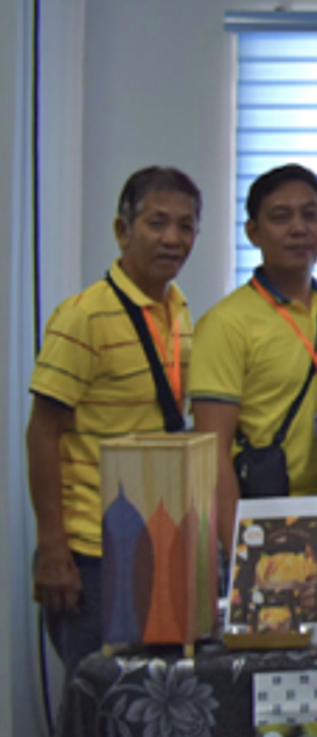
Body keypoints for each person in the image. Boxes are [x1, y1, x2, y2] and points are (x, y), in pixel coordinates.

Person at [28, 167, 201, 671]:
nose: (173, 238)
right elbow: (42, 432)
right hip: (92, 551)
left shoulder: (179, 309)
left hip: (159, 543)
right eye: (157, 223)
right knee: (99, 709)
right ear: (122, 231)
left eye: (186, 226)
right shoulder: (83, 316)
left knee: (151, 710)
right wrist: (53, 549)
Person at [189, 164, 317, 550]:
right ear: (253, 232)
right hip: (261, 515)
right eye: (281, 217)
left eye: (311, 216)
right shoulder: (226, 323)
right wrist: (237, 549)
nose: (299, 229)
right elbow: (211, 452)